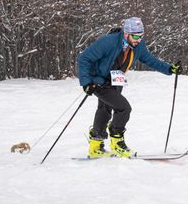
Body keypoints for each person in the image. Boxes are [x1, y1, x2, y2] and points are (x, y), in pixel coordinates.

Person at [77, 17, 182, 158]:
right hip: (99, 82)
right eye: (136, 36)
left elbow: (151, 60)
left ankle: (96, 147)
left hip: (115, 81)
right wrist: (86, 82)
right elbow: (84, 58)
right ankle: (116, 141)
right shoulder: (108, 42)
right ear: (126, 33)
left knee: (104, 110)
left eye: (141, 36)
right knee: (124, 108)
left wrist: (170, 69)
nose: (139, 39)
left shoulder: (138, 46)